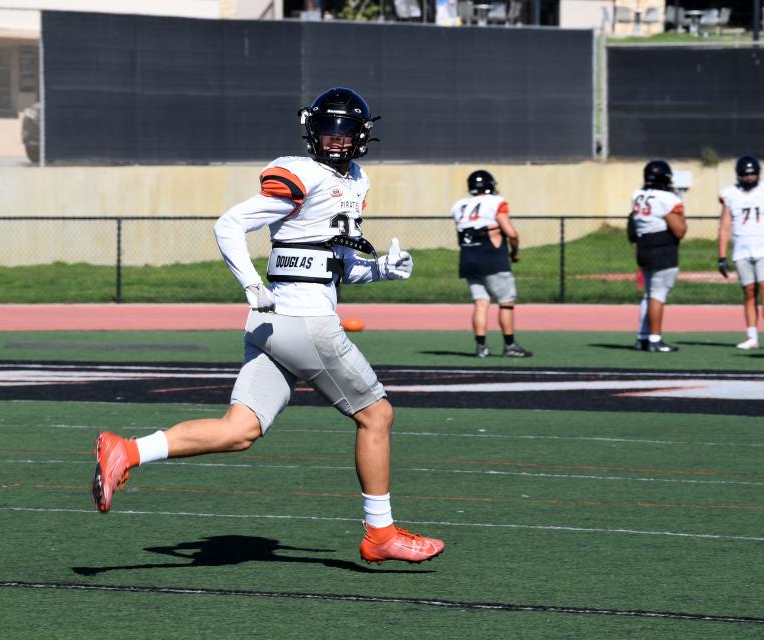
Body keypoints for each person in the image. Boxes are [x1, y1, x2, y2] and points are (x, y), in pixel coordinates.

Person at [91, 88, 445, 565]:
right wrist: (251, 283)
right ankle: (380, 532)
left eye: (344, 132)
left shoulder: (356, 180)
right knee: (376, 416)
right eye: (327, 130)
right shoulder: (299, 172)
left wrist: (380, 269)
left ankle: (127, 451)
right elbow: (229, 225)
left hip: (271, 327)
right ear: (310, 131)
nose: (335, 141)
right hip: (303, 322)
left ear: (361, 136)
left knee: (239, 430)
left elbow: (326, 262)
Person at [451, 169, 532, 358]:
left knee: (480, 303)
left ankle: (481, 348)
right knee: (506, 302)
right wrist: (515, 252)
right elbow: (511, 233)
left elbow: (463, 235)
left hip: (468, 258)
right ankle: (510, 346)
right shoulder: (496, 202)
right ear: (490, 185)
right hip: (492, 258)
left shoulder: (459, 206)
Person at [717, 155, 764, 351]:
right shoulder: (730, 194)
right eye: (746, 175)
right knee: (748, 292)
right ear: (739, 175)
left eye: (753, 174)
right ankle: (752, 336)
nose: (750, 178)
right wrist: (721, 256)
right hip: (742, 250)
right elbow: (724, 227)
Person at [627, 160, 687, 352]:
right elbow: (679, 231)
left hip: (644, 245)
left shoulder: (637, 194)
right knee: (658, 295)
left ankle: (643, 337)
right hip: (662, 247)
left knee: (649, 294)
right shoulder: (668, 198)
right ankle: (655, 339)